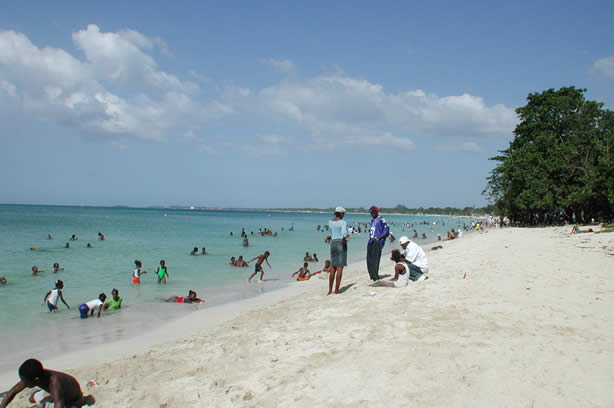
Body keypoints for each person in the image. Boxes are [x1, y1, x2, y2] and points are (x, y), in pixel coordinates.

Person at [0, 358, 95, 408]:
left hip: (72, 401)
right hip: (56, 395)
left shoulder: (55, 384)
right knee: (32, 398)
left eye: (25, 382)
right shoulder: (37, 374)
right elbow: (13, 391)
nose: (23, 383)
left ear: (36, 380)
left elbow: (59, 405)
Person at [329, 206, 349, 294]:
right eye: (343, 213)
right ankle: (336, 289)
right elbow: (344, 233)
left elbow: (331, 232)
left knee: (333, 267)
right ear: (341, 213)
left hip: (333, 243)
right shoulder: (343, 222)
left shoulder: (330, 222)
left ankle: (330, 290)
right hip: (340, 244)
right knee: (340, 267)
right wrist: (343, 240)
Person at [367, 206, 389, 281]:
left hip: (377, 241)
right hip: (371, 240)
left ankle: (375, 276)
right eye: (371, 213)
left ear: (376, 212)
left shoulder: (381, 219)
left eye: (373, 212)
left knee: (375, 259)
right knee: (369, 259)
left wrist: (379, 238)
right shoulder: (372, 221)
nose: (372, 214)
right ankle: (372, 275)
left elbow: (386, 231)